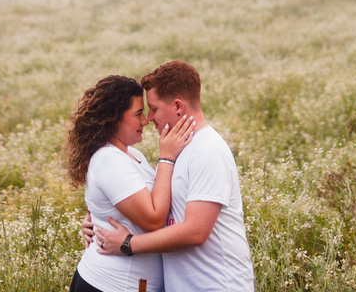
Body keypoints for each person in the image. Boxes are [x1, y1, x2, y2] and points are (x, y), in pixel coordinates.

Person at [91, 61, 255, 292]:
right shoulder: (177, 148)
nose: (149, 118)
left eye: (154, 108)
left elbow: (196, 231)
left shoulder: (207, 150)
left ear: (178, 107)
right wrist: (96, 218)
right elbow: (151, 200)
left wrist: (128, 244)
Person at [65, 74, 196, 292]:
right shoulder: (109, 159)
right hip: (107, 285)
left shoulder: (131, 154)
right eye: (138, 114)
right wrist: (166, 157)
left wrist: (94, 219)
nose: (146, 120)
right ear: (114, 118)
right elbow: (153, 219)